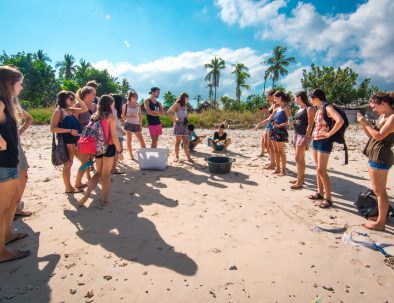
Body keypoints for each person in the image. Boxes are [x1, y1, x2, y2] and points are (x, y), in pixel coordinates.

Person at [0, 65, 31, 263]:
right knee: (2, 207)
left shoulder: (8, 103)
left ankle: (8, 234)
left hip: (10, 160)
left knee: (11, 203)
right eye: (20, 84)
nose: (21, 87)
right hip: (2, 163)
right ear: (9, 84)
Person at [357, 92, 394, 231]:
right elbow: (371, 135)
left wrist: (365, 122)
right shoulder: (383, 116)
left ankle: (381, 223)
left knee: (380, 192)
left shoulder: (392, 118)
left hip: (381, 155)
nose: (373, 109)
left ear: (384, 104)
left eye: (374, 107)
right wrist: (363, 124)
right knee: (378, 191)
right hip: (375, 154)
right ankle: (381, 217)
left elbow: (378, 136)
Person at [78, 95, 124, 207]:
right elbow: (113, 136)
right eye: (112, 104)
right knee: (106, 174)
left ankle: (87, 195)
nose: (113, 105)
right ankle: (105, 199)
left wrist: (90, 153)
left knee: (98, 173)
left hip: (97, 147)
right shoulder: (111, 116)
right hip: (109, 146)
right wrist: (119, 151)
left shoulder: (94, 116)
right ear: (109, 104)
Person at [308, 88, 344, 208]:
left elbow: (340, 120)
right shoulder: (318, 109)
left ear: (316, 98)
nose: (310, 100)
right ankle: (320, 192)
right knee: (318, 169)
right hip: (316, 140)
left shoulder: (328, 107)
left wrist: (329, 134)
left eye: (310, 98)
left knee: (321, 170)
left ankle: (328, 198)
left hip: (324, 141)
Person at [50, 91, 88, 193]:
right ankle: (68, 188)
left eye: (72, 99)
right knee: (68, 164)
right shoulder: (58, 111)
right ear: (63, 99)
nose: (72, 100)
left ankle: (78, 183)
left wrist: (77, 97)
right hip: (67, 141)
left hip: (76, 141)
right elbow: (52, 129)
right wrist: (70, 131)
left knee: (86, 162)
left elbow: (85, 109)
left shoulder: (70, 109)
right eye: (70, 99)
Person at [290, 91, 315, 189]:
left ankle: (300, 182)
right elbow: (299, 121)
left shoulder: (309, 108)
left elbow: (310, 124)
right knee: (301, 158)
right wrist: (292, 122)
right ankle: (300, 178)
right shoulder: (299, 109)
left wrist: (306, 137)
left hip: (303, 135)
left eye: (295, 97)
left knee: (297, 158)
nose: (294, 99)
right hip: (296, 133)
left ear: (299, 97)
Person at [14, 102, 33, 218]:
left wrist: (20, 132)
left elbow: (29, 118)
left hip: (16, 145)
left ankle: (15, 208)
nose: (21, 87)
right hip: (5, 147)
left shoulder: (12, 103)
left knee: (23, 175)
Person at [267, 91, 292, 176]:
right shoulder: (277, 108)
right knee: (276, 151)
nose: (274, 100)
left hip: (281, 131)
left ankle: (283, 170)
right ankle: (277, 168)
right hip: (274, 130)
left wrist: (280, 125)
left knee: (281, 151)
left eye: (275, 98)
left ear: (280, 97)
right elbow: (270, 118)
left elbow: (290, 122)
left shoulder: (286, 108)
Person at [254, 90, 277, 169]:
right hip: (269, 126)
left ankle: (274, 163)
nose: (267, 98)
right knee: (268, 145)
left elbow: (271, 117)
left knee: (271, 146)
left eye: (268, 96)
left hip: (272, 126)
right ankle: (272, 162)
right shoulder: (272, 105)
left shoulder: (276, 105)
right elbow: (269, 117)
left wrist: (259, 124)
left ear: (272, 95)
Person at [167, 92, 193, 162]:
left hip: (184, 125)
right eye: (187, 99)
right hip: (178, 125)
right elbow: (169, 112)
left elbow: (186, 115)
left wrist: (187, 120)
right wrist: (174, 120)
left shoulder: (186, 106)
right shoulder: (177, 104)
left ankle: (188, 157)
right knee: (178, 142)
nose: (188, 100)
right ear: (183, 98)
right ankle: (177, 157)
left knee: (186, 142)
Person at [122, 91, 145, 159]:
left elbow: (140, 116)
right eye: (135, 97)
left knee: (141, 140)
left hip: (136, 124)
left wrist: (140, 126)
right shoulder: (125, 105)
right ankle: (131, 155)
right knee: (129, 140)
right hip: (128, 124)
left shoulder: (138, 105)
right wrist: (129, 116)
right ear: (131, 97)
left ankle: (145, 153)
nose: (137, 98)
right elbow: (122, 117)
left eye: (137, 97)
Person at [110, 93, 126, 174]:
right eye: (122, 101)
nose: (123, 102)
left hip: (117, 133)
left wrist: (121, 121)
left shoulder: (115, 110)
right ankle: (113, 169)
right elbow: (113, 124)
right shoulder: (114, 110)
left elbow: (116, 121)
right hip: (116, 133)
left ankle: (113, 168)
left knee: (117, 150)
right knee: (117, 150)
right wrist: (121, 130)